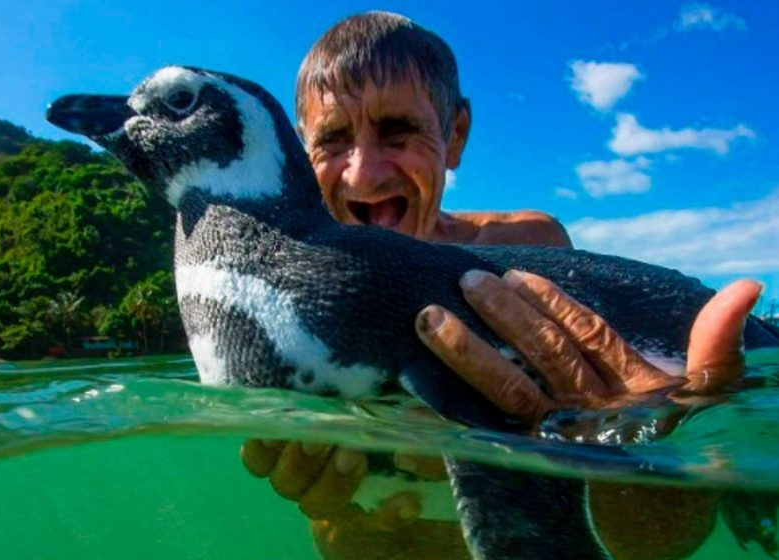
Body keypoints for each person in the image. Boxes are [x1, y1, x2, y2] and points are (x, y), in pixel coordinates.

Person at [241, 11, 762, 559]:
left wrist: (635, 431)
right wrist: (337, 505)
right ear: (303, 154)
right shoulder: (290, 305)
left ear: (455, 134)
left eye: (397, 130)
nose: (363, 173)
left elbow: (652, 534)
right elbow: (343, 532)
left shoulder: (528, 248)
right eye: (333, 139)